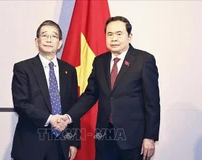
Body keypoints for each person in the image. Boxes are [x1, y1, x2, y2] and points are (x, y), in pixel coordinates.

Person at [59, 16, 160, 160]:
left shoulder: (144, 60)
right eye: (110, 34)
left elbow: (152, 103)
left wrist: (150, 137)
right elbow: (90, 95)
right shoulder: (100, 61)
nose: (114, 38)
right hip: (104, 137)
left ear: (129, 36)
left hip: (133, 139)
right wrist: (68, 117)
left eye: (119, 34)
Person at [11, 20, 80, 160]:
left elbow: (74, 106)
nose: (49, 39)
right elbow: (21, 104)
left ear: (60, 43)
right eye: (44, 35)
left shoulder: (69, 70)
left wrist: (73, 142)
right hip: (31, 144)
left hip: (60, 144)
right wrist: (50, 119)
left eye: (54, 36)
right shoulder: (23, 68)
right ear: (37, 41)